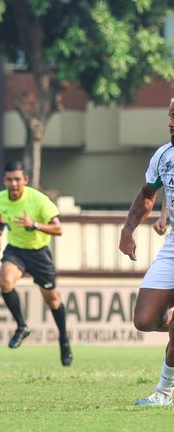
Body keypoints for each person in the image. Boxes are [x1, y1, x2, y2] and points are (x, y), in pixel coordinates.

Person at [119, 97, 174, 406]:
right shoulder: (163, 156)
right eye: (169, 114)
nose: (170, 121)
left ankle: (164, 391)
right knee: (144, 319)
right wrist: (128, 230)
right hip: (173, 246)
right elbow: (147, 193)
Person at [0, 160, 73, 366]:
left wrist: (34, 224)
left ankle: (64, 339)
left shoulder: (39, 200)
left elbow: (59, 229)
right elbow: (1, 214)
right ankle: (21, 326)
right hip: (16, 250)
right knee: (5, 282)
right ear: (4, 181)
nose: (13, 183)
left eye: (18, 179)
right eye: (9, 179)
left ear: (25, 180)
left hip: (39, 253)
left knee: (53, 300)